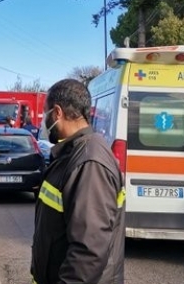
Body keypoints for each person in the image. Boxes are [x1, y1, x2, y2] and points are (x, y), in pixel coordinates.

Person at [31, 79, 125, 284]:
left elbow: (88, 251)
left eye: (44, 115)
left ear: (57, 113)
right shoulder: (72, 153)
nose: (43, 123)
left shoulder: (89, 163)